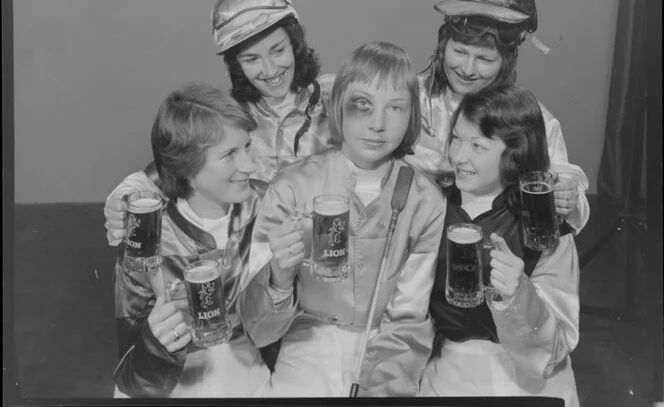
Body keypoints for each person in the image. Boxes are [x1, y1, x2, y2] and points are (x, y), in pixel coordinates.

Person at [238, 42, 447, 397]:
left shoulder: (425, 199)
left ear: (413, 115)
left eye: (395, 108)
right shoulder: (291, 186)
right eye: (361, 105)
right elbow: (258, 330)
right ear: (337, 107)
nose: (378, 124)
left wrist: (379, 387)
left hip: (389, 347)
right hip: (307, 343)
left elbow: (408, 317)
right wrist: (278, 277)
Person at [104, 0, 334, 246]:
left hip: (330, 258)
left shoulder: (338, 99)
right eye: (251, 59)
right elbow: (169, 171)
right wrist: (125, 195)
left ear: (295, 44)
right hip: (255, 267)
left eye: (278, 50)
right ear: (236, 64)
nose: (270, 70)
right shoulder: (227, 118)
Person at [418, 83, 580, 407]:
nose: (459, 156)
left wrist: (519, 297)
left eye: (478, 146)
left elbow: (559, 342)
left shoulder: (543, 223)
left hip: (536, 385)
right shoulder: (432, 205)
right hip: (451, 376)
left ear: (514, 153)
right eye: (455, 139)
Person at [113, 83, 272, 398]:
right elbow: (131, 378)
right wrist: (154, 343)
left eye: (248, 147)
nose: (251, 165)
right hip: (172, 387)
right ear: (186, 167)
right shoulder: (147, 238)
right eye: (230, 154)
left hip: (249, 380)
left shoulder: (267, 206)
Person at [406, 0, 589, 233]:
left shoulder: (529, 117)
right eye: (459, 52)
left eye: (485, 59)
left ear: (506, 62)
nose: (467, 69)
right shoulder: (409, 96)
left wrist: (567, 193)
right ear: (443, 45)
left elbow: (564, 180)